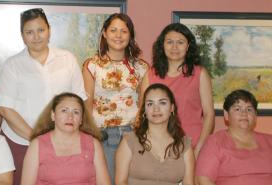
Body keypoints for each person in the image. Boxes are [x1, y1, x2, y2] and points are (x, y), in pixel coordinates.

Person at [0, 8, 87, 185]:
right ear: (22, 35)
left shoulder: (67, 59)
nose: (36, 36)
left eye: (41, 30)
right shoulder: (13, 65)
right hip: (21, 142)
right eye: (29, 32)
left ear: (49, 30)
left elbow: (79, 101)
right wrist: (37, 138)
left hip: (63, 141)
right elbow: (5, 109)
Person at [82, 13, 148, 182]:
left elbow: (145, 104)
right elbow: (87, 105)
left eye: (124, 31)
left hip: (133, 134)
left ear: (130, 35)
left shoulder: (141, 67)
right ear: (104, 33)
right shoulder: (92, 65)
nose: (118, 35)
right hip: (103, 135)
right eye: (113, 30)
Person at [140, 23, 214, 156]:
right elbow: (142, 112)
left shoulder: (200, 74)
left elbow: (209, 115)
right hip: (156, 148)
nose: (174, 47)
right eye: (169, 42)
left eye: (180, 42)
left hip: (192, 146)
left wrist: (199, 149)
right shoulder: (150, 74)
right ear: (162, 45)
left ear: (188, 46)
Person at [21, 92, 110, 185]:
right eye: (64, 111)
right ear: (53, 115)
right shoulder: (37, 145)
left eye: (76, 112)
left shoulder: (93, 144)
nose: (70, 117)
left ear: (81, 119)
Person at [116, 83, 195, 185]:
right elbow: (121, 182)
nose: (156, 109)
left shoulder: (184, 145)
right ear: (144, 110)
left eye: (162, 103)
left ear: (172, 108)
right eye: (150, 104)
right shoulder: (129, 141)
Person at [196, 89, 272, 185]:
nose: (244, 113)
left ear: (255, 115)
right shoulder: (215, 142)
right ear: (226, 115)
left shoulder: (270, 141)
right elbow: (203, 180)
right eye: (237, 109)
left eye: (249, 109)